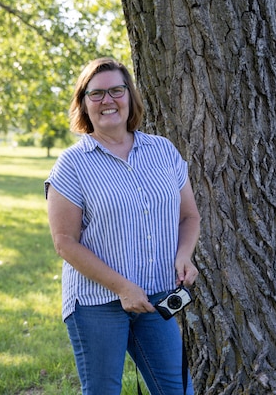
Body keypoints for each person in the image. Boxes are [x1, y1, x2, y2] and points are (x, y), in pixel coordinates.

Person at [45, 57, 201, 394]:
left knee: (178, 390)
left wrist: (184, 256)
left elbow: (189, 216)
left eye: (116, 90)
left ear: (129, 96)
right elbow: (64, 242)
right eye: (96, 94)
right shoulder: (72, 165)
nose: (108, 101)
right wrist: (121, 288)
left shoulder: (163, 151)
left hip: (157, 295)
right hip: (95, 303)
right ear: (84, 104)